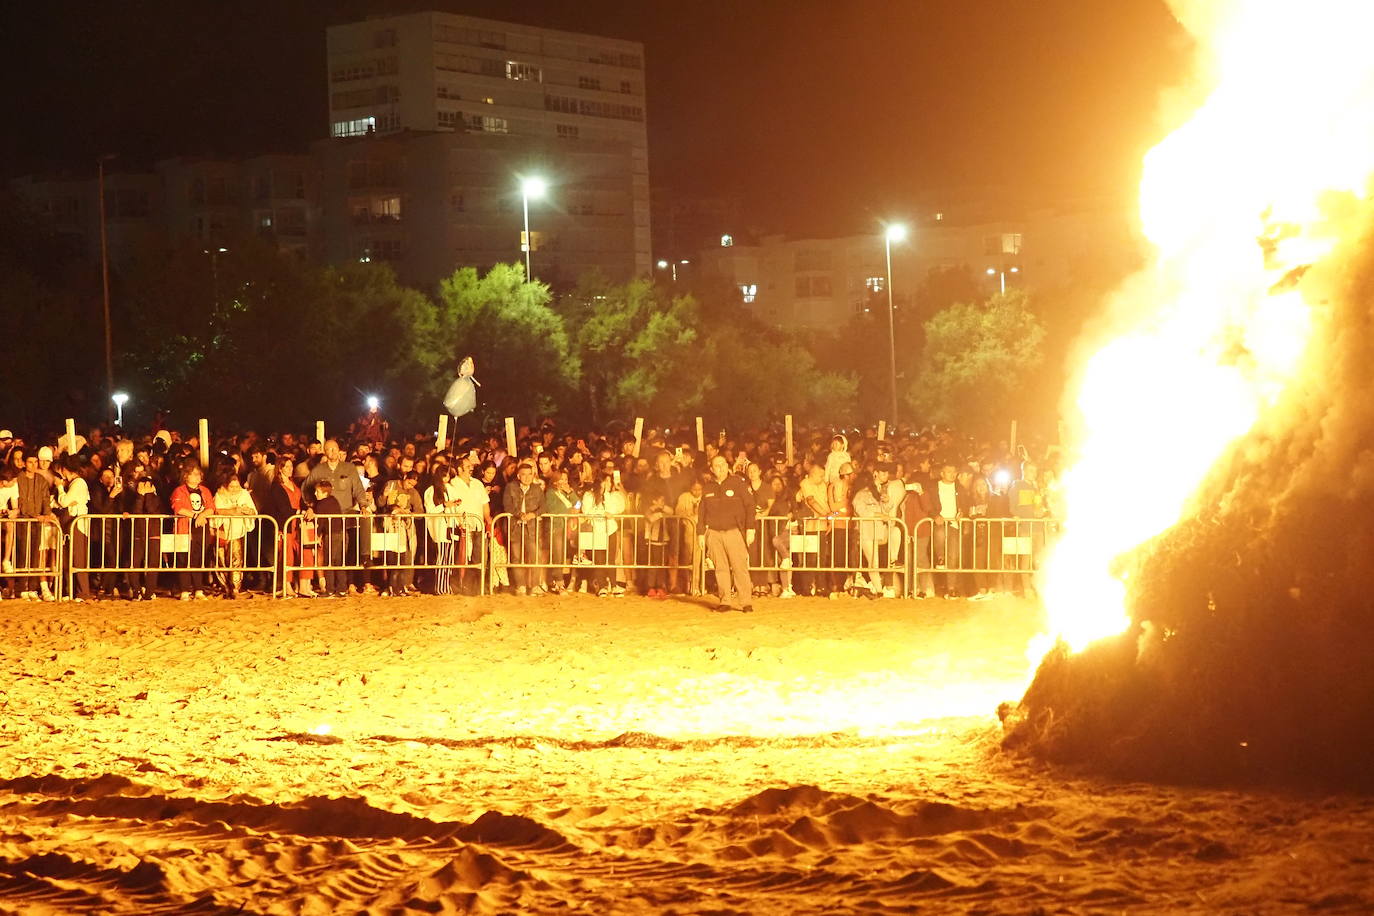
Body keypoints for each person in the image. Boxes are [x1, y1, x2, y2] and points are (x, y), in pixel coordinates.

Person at [699, 454, 755, 613]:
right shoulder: (707, 487)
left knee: (739, 567)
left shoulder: (737, 483)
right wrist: (700, 533)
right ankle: (725, 601)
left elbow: (750, 505)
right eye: (717, 466)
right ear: (711, 469)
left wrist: (751, 528)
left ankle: (746, 602)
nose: (721, 468)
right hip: (714, 532)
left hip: (734, 531)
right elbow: (701, 511)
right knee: (720, 568)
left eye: (723, 464)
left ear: (727, 465)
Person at [852, 461, 905, 598]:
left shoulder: (881, 492)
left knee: (896, 531)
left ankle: (892, 559)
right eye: (883, 473)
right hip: (867, 532)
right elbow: (862, 512)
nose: (885, 475)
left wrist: (887, 502)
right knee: (873, 562)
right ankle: (878, 589)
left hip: (880, 531)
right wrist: (881, 514)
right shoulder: (860, 495)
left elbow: (888, 509)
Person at [169, 464, 216, 601]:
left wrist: (202, 516)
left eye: (198, 474)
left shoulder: (205, 491)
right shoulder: (179, 491)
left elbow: (211, 507)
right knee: (183, 559)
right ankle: (184, 589)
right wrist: (195, 516)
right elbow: (178, 507)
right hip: (185, 527)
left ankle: (198, 589)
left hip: (201, 528)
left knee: (198, 558)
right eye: (193, 474)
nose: (197, 477)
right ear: (186, 476)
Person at [212, 472, 258, 599]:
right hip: (221, 531)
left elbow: (253, 511)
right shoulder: (220, 494)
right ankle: (224, 588)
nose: (234, 489)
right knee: (220, 560)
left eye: (236, 486)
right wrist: (232, 511)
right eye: (231, 487)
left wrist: (249, 511)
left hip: (236, 531)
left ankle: (236, 589)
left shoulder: (244, 494)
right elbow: (216, 510)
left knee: (236, 559)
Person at [502, 461, 544, 595]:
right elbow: (507, 504)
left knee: (536, 556)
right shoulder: (510, 487)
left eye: (530, 474)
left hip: (532, 528)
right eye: (524, 475)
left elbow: (543, 506)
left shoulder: (537, 489)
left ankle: (535, 585)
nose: (527, 477)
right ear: (518, 476)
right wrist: (518, 514)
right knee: (516, 556)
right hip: (516, 527)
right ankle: (520, 585)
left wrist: (533, 514)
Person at [311, 479, 346, 597]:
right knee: (338, 561)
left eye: (317, 492)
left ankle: (330, 588)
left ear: (325, 493)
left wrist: (317, 534)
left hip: (331, 534)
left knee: (329, 561)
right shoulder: (334, 500)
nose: (315, 494)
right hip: (340, 532)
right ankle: (341, 588)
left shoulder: (321, 504)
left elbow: (320, 522)